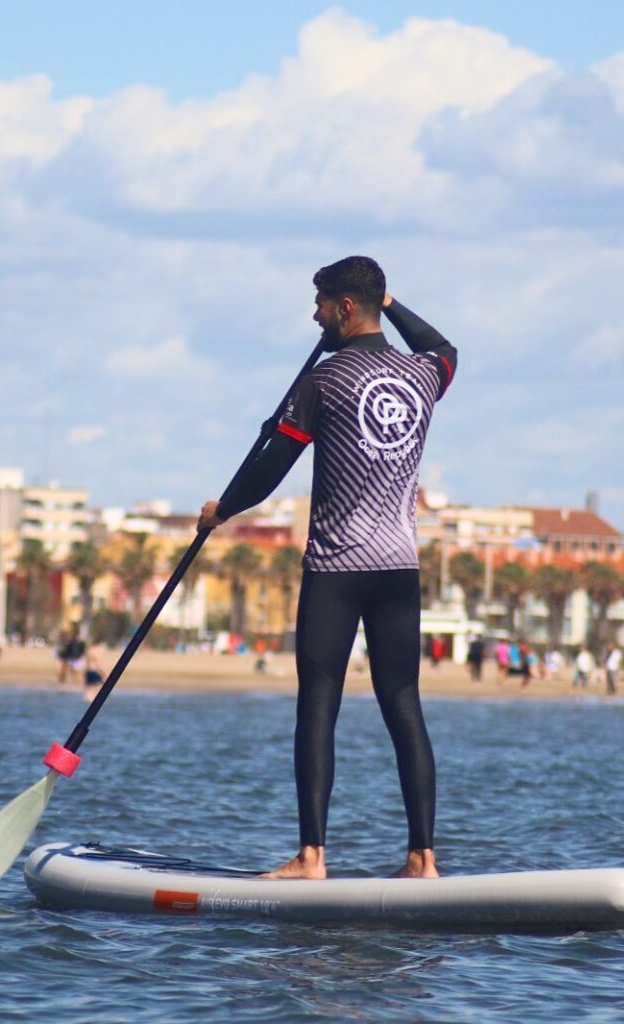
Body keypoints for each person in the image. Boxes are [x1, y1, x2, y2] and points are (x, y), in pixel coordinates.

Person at [198, 256, 456, 880]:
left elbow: (270, 468)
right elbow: (445, 348)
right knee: (403, 703)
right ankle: (423, 859)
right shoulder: (422, 376)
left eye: (320, 303)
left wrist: (221, 510)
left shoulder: (324, 380)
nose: (313, 315)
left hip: (338, 568)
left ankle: (312, 857)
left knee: (319, 702)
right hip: (398, 568)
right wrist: (389, 303)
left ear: (344, 309)